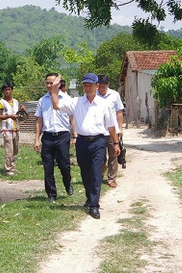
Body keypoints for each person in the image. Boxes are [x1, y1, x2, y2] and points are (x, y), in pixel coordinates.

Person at [50, 73, 119, 219]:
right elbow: (56, 106)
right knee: (85, 172)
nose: (88, 88)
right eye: (85, 85)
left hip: (99, 141)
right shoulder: (76, 102)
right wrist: (55, 89)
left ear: (97, 86)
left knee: (95, 173)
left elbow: (111, 125)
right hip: (81, 141)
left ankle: (94, 205)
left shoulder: (104, 104)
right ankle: (90, 197)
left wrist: (116, 143)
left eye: (90, 85)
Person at [34, 73, 74, 202]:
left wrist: (75, 136)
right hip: (48, 137)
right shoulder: (42, 100)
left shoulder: (67, 99)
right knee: (48, 167)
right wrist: (36, 139)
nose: (50, 85)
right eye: (48, 83)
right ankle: (51, 194)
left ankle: (68, 184)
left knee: (64, 165)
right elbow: (39, 121)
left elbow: (72, 119)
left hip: (62, 136)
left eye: (53, 83)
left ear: (59, 83)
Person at [97, 75, 124, 188]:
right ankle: (100, 173)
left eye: (104, 86)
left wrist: (120, 128)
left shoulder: (114, 95)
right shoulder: (93, 95)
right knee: (100, 156)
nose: (102, 89)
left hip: (112, 131)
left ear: (108, 85)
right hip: (98, 131)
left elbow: (119, 112)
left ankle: (111, 178)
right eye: (100, 87)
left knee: (113, 155)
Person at [0, 81, 24, 176]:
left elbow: (19, 115)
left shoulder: (16, 101)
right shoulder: (1, 103)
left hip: (16, 128)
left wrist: (23, 111)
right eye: (5, 90)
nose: (7, 91)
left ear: (12, 90)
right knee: (9, 150)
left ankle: (12, 166)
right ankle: (7, 169)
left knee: (15, 149)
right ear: (3, 91)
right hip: (7, 129)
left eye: (9, 89)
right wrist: (9, 116)